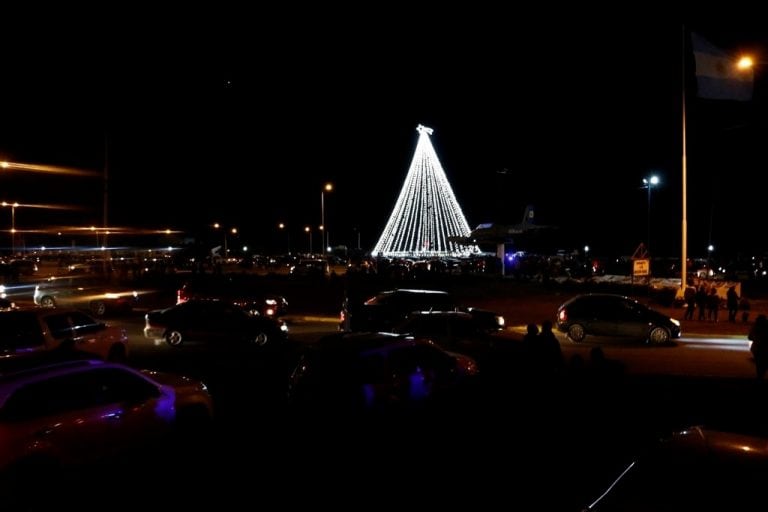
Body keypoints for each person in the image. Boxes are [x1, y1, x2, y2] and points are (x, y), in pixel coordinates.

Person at [749, 314, 768, 379]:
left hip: (757, 348)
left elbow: (750, 337)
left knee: (759, 365)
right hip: (766, 348)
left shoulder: (755, 327)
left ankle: (760, 377)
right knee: (764, 363)